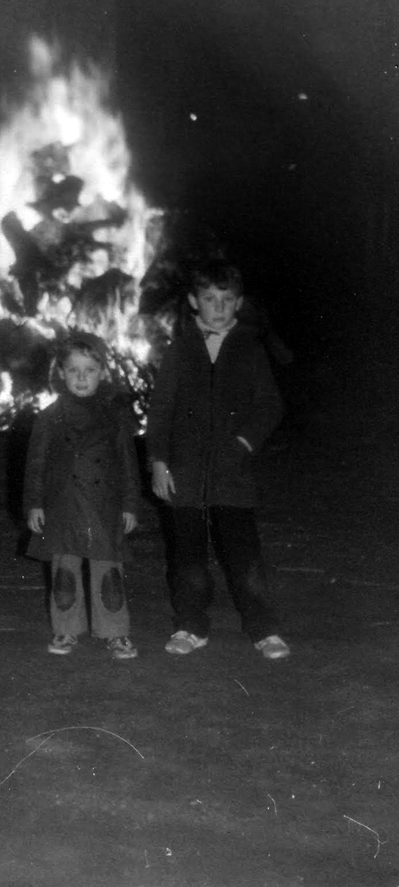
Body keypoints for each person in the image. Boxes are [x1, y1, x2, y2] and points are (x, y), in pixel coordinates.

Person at [146, 258, 290, 660]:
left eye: (226, 299)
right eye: (210, 299)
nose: (219, 307)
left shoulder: (250, 348)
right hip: (184, 473)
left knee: (245, 558)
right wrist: (158, 460)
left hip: (232, 475)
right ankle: (191, 626)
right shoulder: (180, 348)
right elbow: (160, 410)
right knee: (188, 559)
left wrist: (244, 442)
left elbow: (270, 404)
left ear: (238, 303)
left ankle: (264, 629)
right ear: (194, 302)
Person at [23, 332, 141, 660]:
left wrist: (131, 505)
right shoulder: (48, 418)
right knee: (64, 573)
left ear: (102, 372)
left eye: (89, 370)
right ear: (61, 373)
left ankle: (115, 633)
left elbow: (129, 466)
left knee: (109, 574)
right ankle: (66, 629)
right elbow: (36, 465)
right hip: (63, 506)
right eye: (73, 370)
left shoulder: (115, 418)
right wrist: (34, 503)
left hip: (104, 507)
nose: (81, 377)